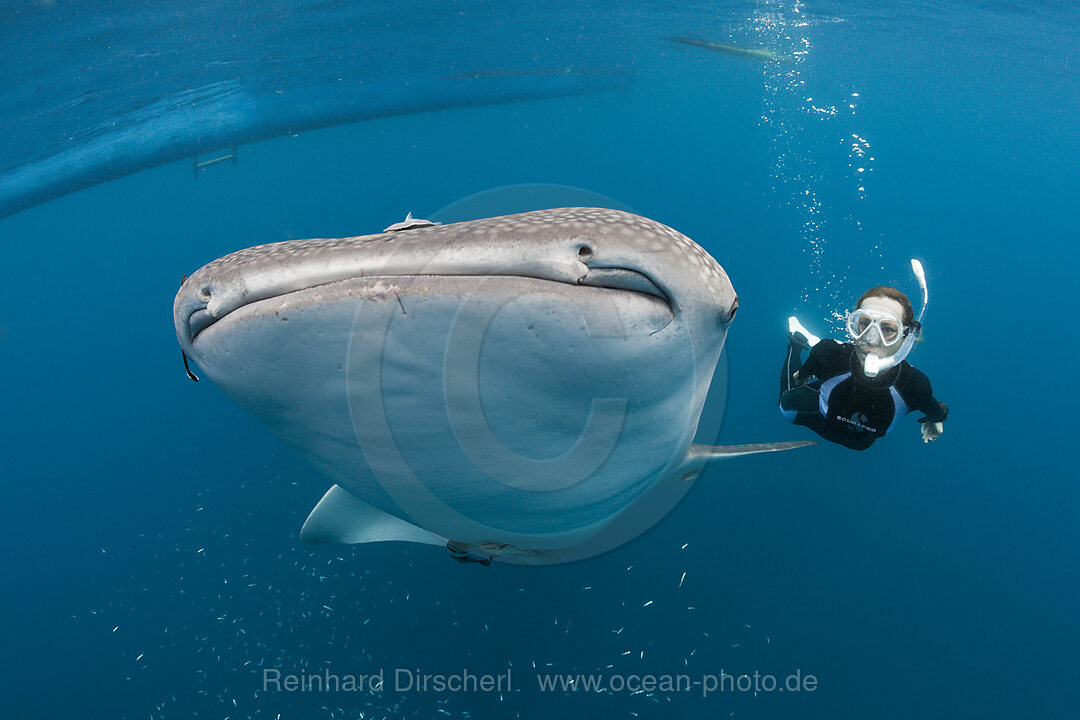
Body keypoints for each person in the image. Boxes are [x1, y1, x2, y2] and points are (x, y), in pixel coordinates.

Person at [779, 263, 947, 451]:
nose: (872, 339)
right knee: (786, 403)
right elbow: (799, 378)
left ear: (906, 338)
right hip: (815, 418)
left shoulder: (915, 385)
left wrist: (936, 419)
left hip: (860, 444)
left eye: (888, 329)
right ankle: (798, 342)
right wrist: (801, 378)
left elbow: (935, 410)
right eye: (864, 324)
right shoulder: (828, 353)